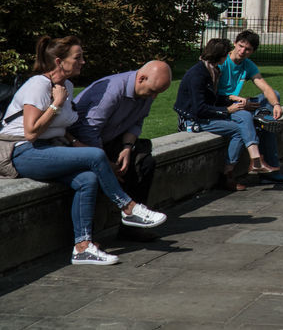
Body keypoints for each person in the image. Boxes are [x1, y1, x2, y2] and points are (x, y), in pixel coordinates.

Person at [3, 36, 167, 265]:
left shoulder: (67, 86)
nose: (83, 62)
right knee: (96, 155)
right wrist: (55, 104)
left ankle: (83, 247)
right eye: (78, 57)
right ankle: (128, 208)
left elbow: (63, 128)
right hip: (22, 152)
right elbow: (31, 132)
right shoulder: (38, 84)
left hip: (50, 148)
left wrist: (76, 145)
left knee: (87, 179)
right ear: (59, 61)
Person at [175, 38, 280, 191]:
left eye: (247, 49)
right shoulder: (199, 74)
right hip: (192, 120)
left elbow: (213, 98)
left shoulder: (210, 70)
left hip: (206, 114)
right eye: (227, 53)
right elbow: (199, 109)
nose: (238, 52)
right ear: (221, 56)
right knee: (242, 122)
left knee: (243, 122)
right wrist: (228, 110)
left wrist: (234, 100)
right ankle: (244, 166)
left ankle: (234, 170)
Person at [70, 60, 172, 208]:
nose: (154, 97)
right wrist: (105, 164)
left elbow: (137, 122)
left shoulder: (146, 94)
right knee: (96, 178)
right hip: (81, 144)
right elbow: (89, 132)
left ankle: (133, 225)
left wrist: (127, 148)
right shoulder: (112, 91)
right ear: (141, 79)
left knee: (145, 163)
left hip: (108, 141)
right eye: (152, 91)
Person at [217, 30, 283, 184]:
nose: (242, 51)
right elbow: (215, 93)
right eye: (240, 46)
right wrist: (239, 101)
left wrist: (277, 105)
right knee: (264, 127)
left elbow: (264, 87)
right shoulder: (222, 61)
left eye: (248, 49)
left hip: (239, 103)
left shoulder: (248, 65)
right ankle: (262, 120)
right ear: (235, 43)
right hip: (223, 104)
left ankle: (263, 117)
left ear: (252, 51)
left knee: (274, 96)